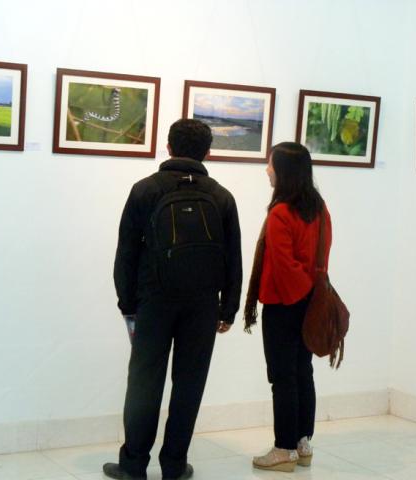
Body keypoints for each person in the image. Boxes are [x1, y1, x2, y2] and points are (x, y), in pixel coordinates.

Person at [105, 119, 242, 480]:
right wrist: (228, 308)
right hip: (202, 306)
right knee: (189, 384)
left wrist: (127, 304)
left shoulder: (144, 191)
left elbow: (126, 254)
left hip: (153, 302)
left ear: (167, 147)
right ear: (207, 152)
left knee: (144, 383)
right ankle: (175, 465)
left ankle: (133, 464)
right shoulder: (222, 196)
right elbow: (233, 258)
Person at [243, 142, 331, 473]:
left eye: (270, 165)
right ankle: (302, 443)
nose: (267, 170)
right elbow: (321, 254)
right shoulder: (320, 208)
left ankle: (283, 449)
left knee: (282, 377)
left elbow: (283, 263)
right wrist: (309, 296)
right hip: (310, 302)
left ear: (284, 172)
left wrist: (296, 298)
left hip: (285, 304)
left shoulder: (281, 212)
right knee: (301, 372)